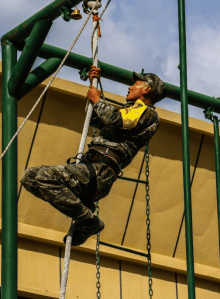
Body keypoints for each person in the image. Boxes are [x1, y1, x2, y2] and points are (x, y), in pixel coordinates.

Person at [20, 66, 166, 246]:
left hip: (100, 171)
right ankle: (83, 211)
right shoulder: (131, 111)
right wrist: (93, 85)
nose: (130, 87)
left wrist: (98, 99)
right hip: (91, 169)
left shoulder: (146, 112)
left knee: (44, 177)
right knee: (29, 177)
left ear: (146, 89)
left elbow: (114, 119)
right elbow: (96, 118)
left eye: (135, 84)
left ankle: (87, 220)